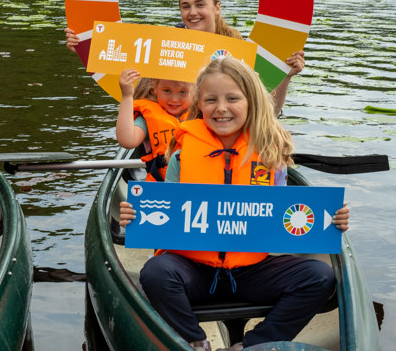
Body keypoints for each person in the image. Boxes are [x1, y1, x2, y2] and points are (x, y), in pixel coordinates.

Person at [119, 58, 349, 351]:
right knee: (155, 272)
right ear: (199, 104)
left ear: (251, 102)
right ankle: (194, 340)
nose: (221, 108)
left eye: (232, 99)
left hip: (251, 269)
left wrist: (332, 220)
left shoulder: (269, 155)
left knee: (320, 276)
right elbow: (168, 212)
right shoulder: (182, 153)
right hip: (193, 268)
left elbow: (284, 218)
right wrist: (136, 214)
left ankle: (252, 345)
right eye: (211, 100)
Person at [65, 0, 305, 115]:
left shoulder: (237, 50)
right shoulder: (166, 46)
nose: (192, 13)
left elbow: (269, 111)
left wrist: (286, 75)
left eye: (200, 4)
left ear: (217, 7)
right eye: (185, 6)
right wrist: (87, 47)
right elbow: (136, 89)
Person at [116, 68, 193, 181]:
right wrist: (127, 96)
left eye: (183, 92)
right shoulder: (147, 118)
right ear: (154, 88)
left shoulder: (201, 115)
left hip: (197, 185)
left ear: (196, 91)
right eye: (167, 91)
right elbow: (127, 140)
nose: (174, 99)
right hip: (161, 188)